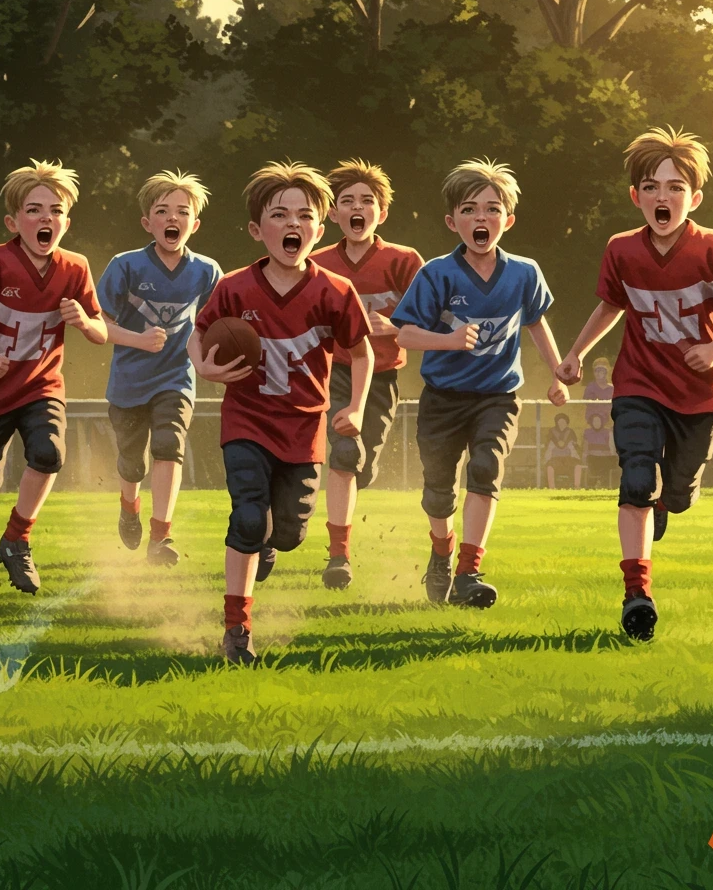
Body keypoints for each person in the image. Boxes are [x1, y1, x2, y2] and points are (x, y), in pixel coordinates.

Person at [557, 126, 713, 641]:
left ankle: (667, 504)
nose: (662, 196)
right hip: (639, 383)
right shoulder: (622, 249)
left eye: (675, 187)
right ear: (636, 197)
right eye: (651, 187)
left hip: (697, 394)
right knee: (635, 479)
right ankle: (637, 594)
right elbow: (610, 305)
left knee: (678, 492)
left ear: (694, 198)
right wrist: (575, 352)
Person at [190, 161, 373, 664]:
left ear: (320, 228)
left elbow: (362, 352)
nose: (293, 223)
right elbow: (198, 333)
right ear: (257, 229)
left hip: (303, 427)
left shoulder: (335, 291)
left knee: (287, 534)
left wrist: (356, 407)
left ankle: (269, 540)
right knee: (249, 517)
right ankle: (237, 629)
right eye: (279, 214)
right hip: (246, 419)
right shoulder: (234, 287)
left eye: (304, 215)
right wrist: (203, 366)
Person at [391, 158, 569, 609]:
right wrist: (448, 340)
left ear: (508, 220)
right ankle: (441, 551)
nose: (480, 218)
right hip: (443, 398)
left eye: (492, 209)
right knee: (438, 493)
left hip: (498, 395)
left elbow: (536, 323)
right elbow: (405, 335)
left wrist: (558, 372)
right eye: (469, 210)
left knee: (486, 468)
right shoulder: (437, 273)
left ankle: (469, 571)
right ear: (453, 222)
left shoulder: (525, 272)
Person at [0, 159, 106, 605]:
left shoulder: (75, 267)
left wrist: (84, 320)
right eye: (34, 209)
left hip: (40, 384)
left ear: (67, 222)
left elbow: (100, 332)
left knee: (49, 453)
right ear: (13, 222)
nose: (45, 217)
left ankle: (16, 538)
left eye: (55, 210)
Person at [97, 170, 222, 564]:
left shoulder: (207, 271)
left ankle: (161, 537)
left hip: (176, 377)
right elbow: (97, 324)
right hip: (129, 381)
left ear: (195, 224)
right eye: (163, 211)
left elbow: (217, 325)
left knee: (169, 446)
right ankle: (128, 507)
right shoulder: (126, 265)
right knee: (132, 463)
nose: (173, 218)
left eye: (182, 211)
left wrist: (211, 360)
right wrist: (138, 340)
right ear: (147, 222)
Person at [311, 159, 423, 588]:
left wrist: (393, 326)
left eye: (366, 200)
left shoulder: (404, 261)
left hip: (382, 376)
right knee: (344, 453)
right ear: (333, 213)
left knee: (364, 465)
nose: (357, 207)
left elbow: (435, 318)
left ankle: (348, 498)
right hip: (334, 372)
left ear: (382, 212)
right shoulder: (317, 262)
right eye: (347, 201)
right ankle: (338, 556)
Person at [544, 413, 580, 489]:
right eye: (560, 422)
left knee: (577, 466)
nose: (562, 424)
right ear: (556, 423)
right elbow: (549, 448)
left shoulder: (570, 432)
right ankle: (552, 488)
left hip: (568, 459)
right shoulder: (551, 432)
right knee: (549, 467)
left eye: (564, 422)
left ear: (567, 423)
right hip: (555, 459)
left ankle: (577, 487)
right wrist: (546, 459)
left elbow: (573, 448)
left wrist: (577, 458)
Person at [583, 356, 614, 429]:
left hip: (610, 423)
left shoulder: (612, 388)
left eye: (601, 371)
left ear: (606, 372)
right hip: (593, 423)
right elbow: (587, 402)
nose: (598, 373)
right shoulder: (590, 387)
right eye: (596, 371)